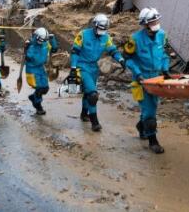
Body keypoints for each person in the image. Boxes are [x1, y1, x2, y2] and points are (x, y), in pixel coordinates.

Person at [124, 8, 171, 154]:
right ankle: (153, 142)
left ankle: (141, 126)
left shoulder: (162, 35)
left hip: (156, 78)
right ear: (144, 24)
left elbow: (164, 54)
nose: (156, 24)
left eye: (157, 21)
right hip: (141, 80)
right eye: (152, 22)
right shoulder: (135, 39)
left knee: (153, 106)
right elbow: (128, 59)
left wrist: (165, 69)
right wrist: (138, 74)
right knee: (150, 111)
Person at [68, 14, 125, 132]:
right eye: (100, 28)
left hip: (94, 68)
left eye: (104, 29)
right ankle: (94, 122)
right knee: (93, 95)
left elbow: (112, 50)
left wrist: (120, 59)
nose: (102, 31)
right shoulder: (83, 35)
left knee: (88, 93)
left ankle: (84, 114)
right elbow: (75, 51)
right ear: (94, 25)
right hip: (81, 66)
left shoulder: (106, 38)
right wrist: (73, 67)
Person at [25, 28, 58, 115]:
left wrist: (52, 40)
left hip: (41, 68)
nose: (41, 41)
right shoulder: (31, 45)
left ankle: (33, 97)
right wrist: (26, 48)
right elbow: (27, 58)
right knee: (39, 88)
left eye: (43, 40)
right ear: (36, 37)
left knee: (45, 89)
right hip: (31, 69)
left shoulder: (45, 44)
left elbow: (54, 49)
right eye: (40, 39)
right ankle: (38, 105)